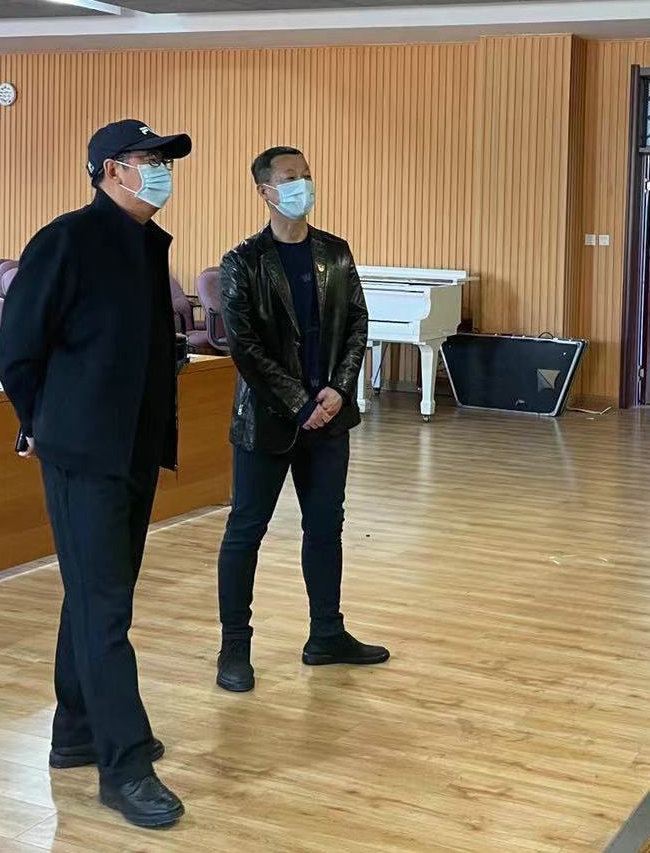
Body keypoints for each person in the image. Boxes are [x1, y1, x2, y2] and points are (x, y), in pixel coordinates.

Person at [0, 119, 192, 828]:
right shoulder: (66, 241)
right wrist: (38, 423)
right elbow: (18, 350)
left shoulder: (145, 244)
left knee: (95, 594)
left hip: (132, 446)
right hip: (83, 451)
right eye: (151, 159)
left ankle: (76, 729)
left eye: (165, 161)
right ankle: (124, 765)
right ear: (112, 170)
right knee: (105, 607)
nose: (163, 171)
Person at [214, 145, 388, 694]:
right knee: (246, 531)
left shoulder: (335, 253)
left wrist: (339, 388)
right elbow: (244, 347)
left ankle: (327, 634)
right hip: (267, 419)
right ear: (265, 191)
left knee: (325, 527)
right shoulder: (242, 261)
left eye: (307, 175)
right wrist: (299, 402)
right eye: (291, 177)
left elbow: (357, 324)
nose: (303, 185)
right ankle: (234, 647)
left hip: (329, 416)